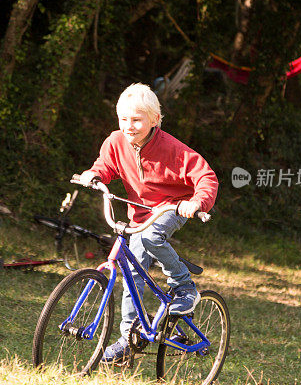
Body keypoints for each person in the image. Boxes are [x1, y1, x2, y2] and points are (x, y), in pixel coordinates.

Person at [78, 83, 219, 364]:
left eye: (137, 120)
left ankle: (184, 287)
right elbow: (106, 165)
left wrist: (196, 202)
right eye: (124, 119)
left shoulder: (173, 149)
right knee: (132, 276)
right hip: (139, 213)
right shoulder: (116, 141)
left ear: (155, 120)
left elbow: (206, 177)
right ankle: (127, 338)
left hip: (173, 206)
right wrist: (93, 175)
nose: (129, 126)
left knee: (154, 235)